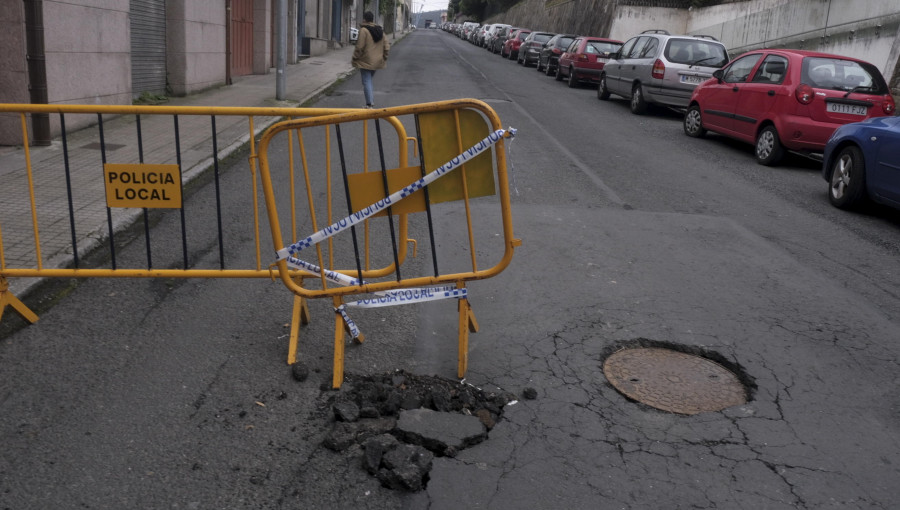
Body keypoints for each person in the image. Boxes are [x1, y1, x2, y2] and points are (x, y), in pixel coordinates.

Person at [351, 11, 390, 109]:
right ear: (372, 19)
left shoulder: (364, 30)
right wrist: (384, 57)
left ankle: (369, 104)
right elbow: (386, 46)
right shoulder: (380, 30)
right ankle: (370, 102)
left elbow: (359, 47)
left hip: (365, 61)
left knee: (366, 81)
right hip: (377, 61)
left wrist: (355, 57)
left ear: (364, 19)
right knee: (369, 81)